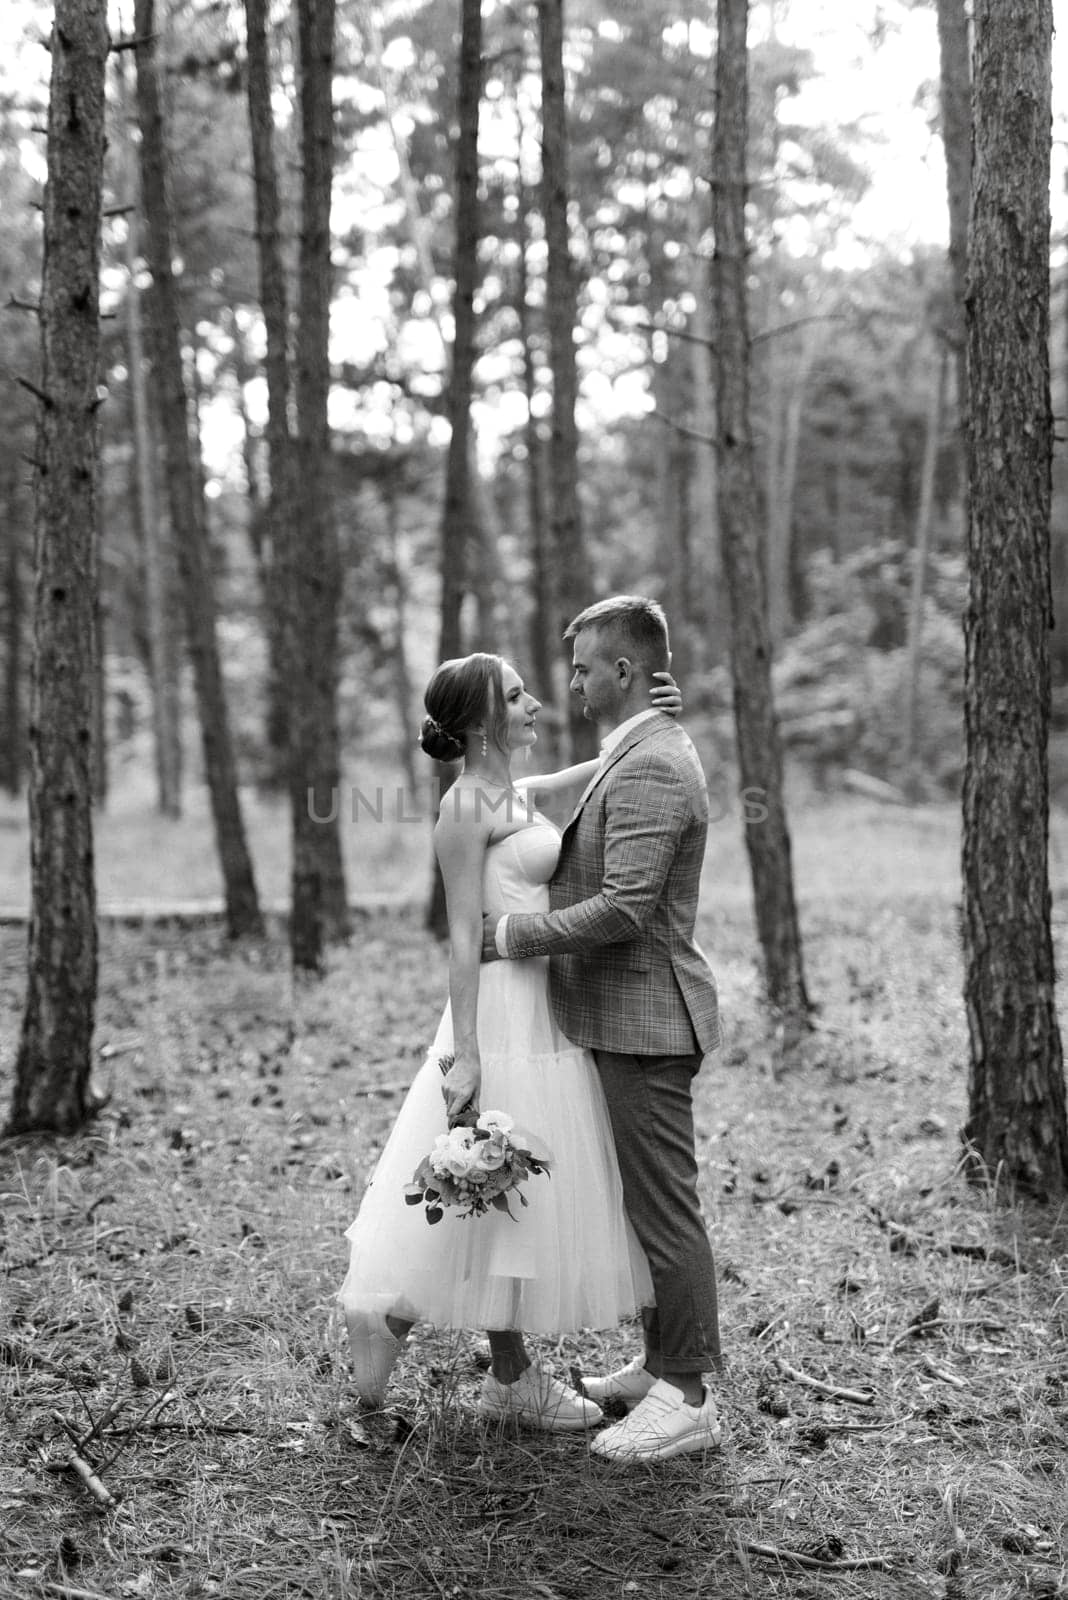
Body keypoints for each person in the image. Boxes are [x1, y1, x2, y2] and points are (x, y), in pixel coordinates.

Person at [338, 651, 682, 1432]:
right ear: (483, 720)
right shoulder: (465, 809)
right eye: (518, 696)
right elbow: (463, 939)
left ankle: (495, 1366)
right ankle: (481, 1360)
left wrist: (656, 715)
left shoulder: (519, 794)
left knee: (515, 1188)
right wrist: (470, 1052)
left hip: (546, 1005)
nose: (535, 705)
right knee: (496, 1183)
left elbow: (609, 762)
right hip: (498, 1012)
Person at [481, 595, 723, 1462]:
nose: (572, 682)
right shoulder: (636, 748)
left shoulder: (654, 762)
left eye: (583, 668)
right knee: (641, 1203)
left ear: (623, 671)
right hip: (622, 1015)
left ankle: (688, 1397)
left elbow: (626, 908)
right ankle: (660, 1366)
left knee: (664, 1211)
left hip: (649, 1016)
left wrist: (510, 935)